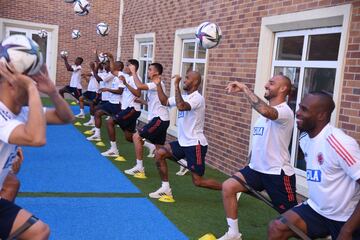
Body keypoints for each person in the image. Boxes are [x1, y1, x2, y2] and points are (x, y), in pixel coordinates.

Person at [268, 92, 360, 240]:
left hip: (345, 218)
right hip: (316, 210)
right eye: (299, 107)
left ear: (321, 116)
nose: (297, 112)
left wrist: (347, 230)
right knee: (277, 227)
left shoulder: (340, 143)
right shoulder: (304, 139)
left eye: (304, 109)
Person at [0, 62, 74, 240]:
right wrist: (33, 91)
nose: (33, 85)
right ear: (12, 85)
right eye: (28, 82)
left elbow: (66, 117)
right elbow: (36, 138)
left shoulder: (21, 111)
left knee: (38, 231)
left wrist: (52, 92)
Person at [218, 75, 296, 240]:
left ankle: (321, 232)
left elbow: (266, 110)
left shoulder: (285, 112)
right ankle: (233, 233)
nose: (266, 85)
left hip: (277, 173)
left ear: (283, 89)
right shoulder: (262, 118)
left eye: (271, 83)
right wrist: (248, 164)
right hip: (255, 170)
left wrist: (245, 88)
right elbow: (258, 144)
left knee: (293, 220)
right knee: (228, 187)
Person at [150, 71, 222, 199]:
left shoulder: (197, 98)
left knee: (198, 181)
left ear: (195, 82)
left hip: (195, 144)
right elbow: (164, 101)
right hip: (183, 142)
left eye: (187, 78)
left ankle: (230, 189)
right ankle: (165, 188)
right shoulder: (184, 96)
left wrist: (176, 86)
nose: (184, 80)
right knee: (159, 153)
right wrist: (158, 85)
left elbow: (182, 106)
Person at [123, 63, 169, 177]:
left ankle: (139, 167)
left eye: (150, 70)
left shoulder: (156, 83)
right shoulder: (154, 85)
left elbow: (139, 86)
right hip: (160, 119)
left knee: (136, 136)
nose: (148, 71)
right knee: (159, 151)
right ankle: (184, 162)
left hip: (160, 119)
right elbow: (154, 103)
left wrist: (134, 71)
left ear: (156, 73)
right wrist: (142, 102)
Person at [86, 60, 123, 142]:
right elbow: (98, 78)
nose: (111, 66)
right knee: (97, 112)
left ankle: (149, 144)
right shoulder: (112, 75)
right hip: (111, 101)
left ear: (119, 67)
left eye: (113, 65)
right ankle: (97, 133)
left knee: (128, 133)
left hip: (117, 103)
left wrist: (107, 89)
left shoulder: (118, 76)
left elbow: (120, 91)